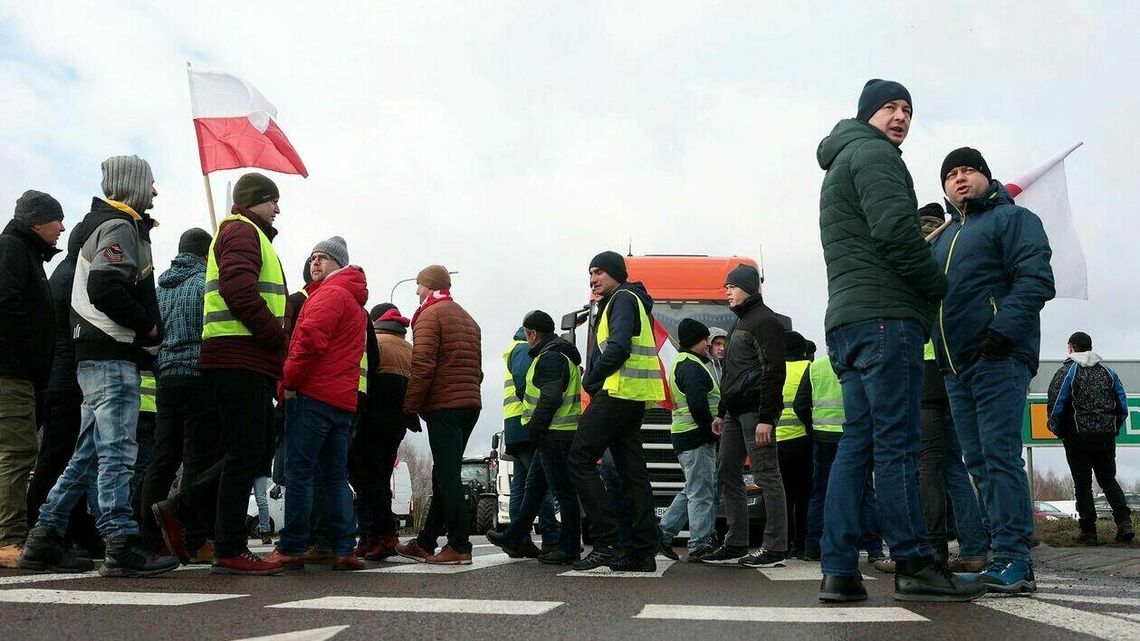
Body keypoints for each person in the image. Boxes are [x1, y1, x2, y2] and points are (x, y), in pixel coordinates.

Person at [816, 81, 981, 603]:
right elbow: (894, 234)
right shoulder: (878, 157)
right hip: (888, 318)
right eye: (890, 107)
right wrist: (936, 287)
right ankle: (914, 562)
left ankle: (838, 570)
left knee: (856, 446)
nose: (901, 117)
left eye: (908, 109)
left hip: (846, 322)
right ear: (867, 114)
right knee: (900, 446)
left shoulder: (842, 160)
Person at [22, 156, 178, 577]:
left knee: (87, 452)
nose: (156, 192)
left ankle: (43, 535)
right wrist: (147, 327)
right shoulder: (120, 228)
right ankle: (121, 540)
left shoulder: (102, 227)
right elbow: (106, 284)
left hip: (94, 356)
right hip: (113, 353)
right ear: (133, 186)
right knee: (117, 453)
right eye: (151, 183)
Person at [932, 146, 1055, 594]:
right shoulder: (943, 238)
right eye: (951, 175)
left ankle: (1015, 560)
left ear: (986, 176)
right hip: (955, 366)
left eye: (968, 171)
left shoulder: (1013, 219)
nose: (960, 179)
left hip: (998, 357)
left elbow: (1036, 279)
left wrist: (1000, 334)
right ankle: (998, 554)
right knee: (979, 462)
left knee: (1000, 456)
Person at [153, 172, 289, 575]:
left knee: (252, 449)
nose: (278, 208)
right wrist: (275, 339)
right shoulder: (241, 231)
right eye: (273, 200)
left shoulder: (247, 234)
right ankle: (226, 544)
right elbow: (238, 289)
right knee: (246, 451)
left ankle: (183, 511)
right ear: (255, 201)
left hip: (245, 359)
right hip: (239, 358)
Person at [265, 262, 369, 572]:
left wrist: (287, 380)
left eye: (323, 257)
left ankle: (293, 547)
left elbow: (309, 341)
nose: (315, 263)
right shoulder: (355, 303)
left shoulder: (329, 294)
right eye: (313, 257)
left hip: (313, 397)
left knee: (300, 473)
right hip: (342, 402)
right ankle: (343, 548)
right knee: (335, 476)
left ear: (338, 266)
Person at [568, 251, 664, 572]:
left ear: (615, 273)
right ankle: (642, 552)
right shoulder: (630, 299)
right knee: (632, 474)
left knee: (579, 458)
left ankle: (607, 541)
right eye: (590, 274)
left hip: (618, 393)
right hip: (633, 397)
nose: (593, 279)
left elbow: (619, 347)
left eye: (598, 272)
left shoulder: (622, 298)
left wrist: (590, 379)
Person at [25, 210, 102, 561]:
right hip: (66, 379)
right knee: (59, 459)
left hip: (61, 378)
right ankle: (42, 531)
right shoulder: (74, 276)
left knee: (66, 456)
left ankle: (70, 529)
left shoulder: (64, 272)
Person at [699, 264, 788, 568]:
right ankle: (736, 542)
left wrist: (766, 416)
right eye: (726, 287)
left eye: (732, 287)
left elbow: (774, 371)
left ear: (748, 287)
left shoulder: (766, 322)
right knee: (726, 470)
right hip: (735, 414)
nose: (727, 292)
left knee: (766, 475)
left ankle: (775, 548)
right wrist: (722, 412)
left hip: (755, 413)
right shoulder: (738, 323)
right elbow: (732, 374)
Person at [396, 266, 483, 565]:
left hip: (445, 404)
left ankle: (459, 545)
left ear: (429, 285)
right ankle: (426, 541)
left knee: (448, 477)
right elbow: (478, 370)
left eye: (418, 286)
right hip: (470, 403)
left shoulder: (430, 315)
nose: (417, 292)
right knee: (442, 475)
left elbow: (422, 364)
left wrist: (410, 406)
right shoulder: (468, 318)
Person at [487, 310, 584, 565]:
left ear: (532, 334)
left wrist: (536, 427)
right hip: (554, 434)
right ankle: (514, 536)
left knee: (563, 492)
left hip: (554, 434)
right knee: (534, 489)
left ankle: (569, 548)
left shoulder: (550, 357)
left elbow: (551, 397)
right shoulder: (557, 353)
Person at [0, 190, 64, 568]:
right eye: (56, 220)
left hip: (21, 375)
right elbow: (7, 307)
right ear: (37, 221)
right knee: (17, 454)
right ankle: (8, 540)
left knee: (14, 454)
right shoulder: (12, 249)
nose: (61, 228)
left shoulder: (24, 252)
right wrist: (24, 359)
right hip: (12, 375)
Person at [793, 355, 884, 563]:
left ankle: (813, 547)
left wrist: (812, 427)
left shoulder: (816, 367)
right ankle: (874, 548)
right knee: (865, 491)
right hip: (856, 435)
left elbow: (801, 403)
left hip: (823, 436)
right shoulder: (860, 362)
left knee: (821, 492)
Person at [1047, 331, 1133, 544]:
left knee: (1082, 484)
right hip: (1105, 436)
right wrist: (1114, 428)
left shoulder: (1067, 372)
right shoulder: (1108, 372)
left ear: (1070, 348)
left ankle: (1089, 532)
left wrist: (1056, 428)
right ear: (1090, 347)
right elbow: (1122, 404)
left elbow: (1057, 403)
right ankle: (1124, 524)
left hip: (1077, 436)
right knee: (1108, 479)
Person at [355, 304, 418, 560]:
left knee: (367, 480)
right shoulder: (409, 348)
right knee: (379, 478)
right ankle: (373, 536)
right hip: (397, 423)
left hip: (370, 420)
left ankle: (381, 535)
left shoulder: (375, 342)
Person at [657, 319, 720, 561]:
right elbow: (698, 404)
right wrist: (710, 430)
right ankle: (699, 544)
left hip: (687, 436)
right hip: (696, 437)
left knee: (692, 490)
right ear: (696, 341)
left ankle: (662, 534)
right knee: (701, 493)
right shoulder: (692, 367)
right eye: (705, 339)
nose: (708, 344)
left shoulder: (683, 363)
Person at [500, 326, 560, 556]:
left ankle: (517, 539)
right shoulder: (525, 349)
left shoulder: (513, 349)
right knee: (539, 484)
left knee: (522, 485)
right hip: (526, 423)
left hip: (514, 425)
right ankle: (551, 536)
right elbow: (527, 384)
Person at [777, 331, 813, 560]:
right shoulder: (810, 369)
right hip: (804, 439)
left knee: (784, 496)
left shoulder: (774, 371)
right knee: (805, 495)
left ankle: (784, 542)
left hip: (778, 440)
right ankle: (802, 542)